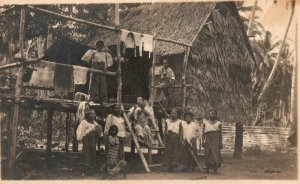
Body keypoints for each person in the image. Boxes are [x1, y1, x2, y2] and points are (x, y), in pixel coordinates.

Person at [76, 108, 103, 175]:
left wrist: (99, 131)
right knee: (86, 155)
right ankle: (84, 171)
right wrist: (89, 131)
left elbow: (100, 134)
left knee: (93, 155)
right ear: (87, 115)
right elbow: (79, 132)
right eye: (91, 114)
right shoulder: (84, 122)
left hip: (93, 142)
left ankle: (90, 171)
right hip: (87, 142)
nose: (93, 115)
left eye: (94, 113)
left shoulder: (96, 123)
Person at [202, 109, 223, 174]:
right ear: (209, 114)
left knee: (215, 153)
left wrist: (220, 142)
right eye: (211, 113)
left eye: (214, 113)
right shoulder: (205, 122)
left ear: (216, 115)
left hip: (215, 139)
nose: (212, 115)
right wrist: (202, 141)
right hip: (208, 138)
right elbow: (203, 132)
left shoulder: (219, 123)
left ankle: (215, 169)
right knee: (207, 152)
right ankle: (207, 168)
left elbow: (220, 134)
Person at [163, 108, 182, 172]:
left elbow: (180, 131)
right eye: (172, 113)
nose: (174, 114)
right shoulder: (167, 121)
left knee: (175, 152)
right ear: (170, 114)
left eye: (175, 113)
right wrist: (165, 136)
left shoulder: (179, 121)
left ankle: (173, 166)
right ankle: (167, 165)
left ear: (177, 114)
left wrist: (180, 139)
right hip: (169, 137)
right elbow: (165, 130)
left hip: (176, 137)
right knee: (168, 151)